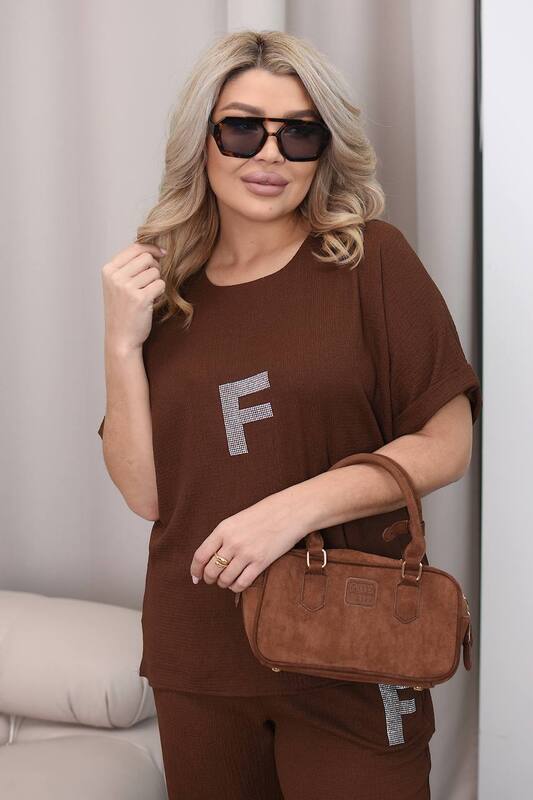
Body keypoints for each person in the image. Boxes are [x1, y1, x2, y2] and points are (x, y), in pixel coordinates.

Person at [97, 29, 482, 800]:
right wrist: (119, 341)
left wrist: (288, 512)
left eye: (298, 133)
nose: (269, 155)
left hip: (353, 645)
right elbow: (147, 495)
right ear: (203, 141)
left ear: (322, 150)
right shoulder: (164, 292)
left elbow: (446, 445)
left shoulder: (370, 259)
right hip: (198, 653)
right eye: (242, 129)